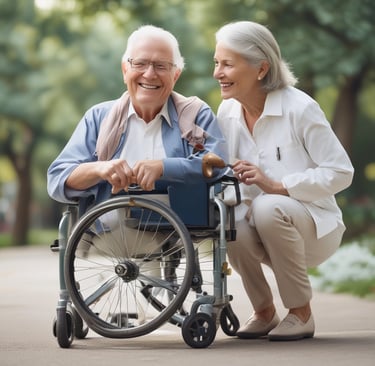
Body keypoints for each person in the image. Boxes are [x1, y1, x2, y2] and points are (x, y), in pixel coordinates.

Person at [213, 21, 354, 341]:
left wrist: (278, 184)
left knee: (268, 205)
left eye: (227, 64)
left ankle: (301, 313)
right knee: (229, 219)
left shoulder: (300, 108)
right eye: (216, 63)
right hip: (260, 228)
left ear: (261, 68)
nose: (217, 73)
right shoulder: (227, 111)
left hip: (314, 229)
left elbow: (342, 171)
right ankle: (263, 312)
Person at [47, 25, 227, 208]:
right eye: (140, 64)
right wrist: (100, 168)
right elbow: (58, 178)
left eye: (161, 66)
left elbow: (218, 164)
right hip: (104, 232)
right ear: (125, 70)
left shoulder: (195, 114)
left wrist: (164, 167)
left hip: (180, 233)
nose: (149, 74)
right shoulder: (98, 117)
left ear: (176, 75)